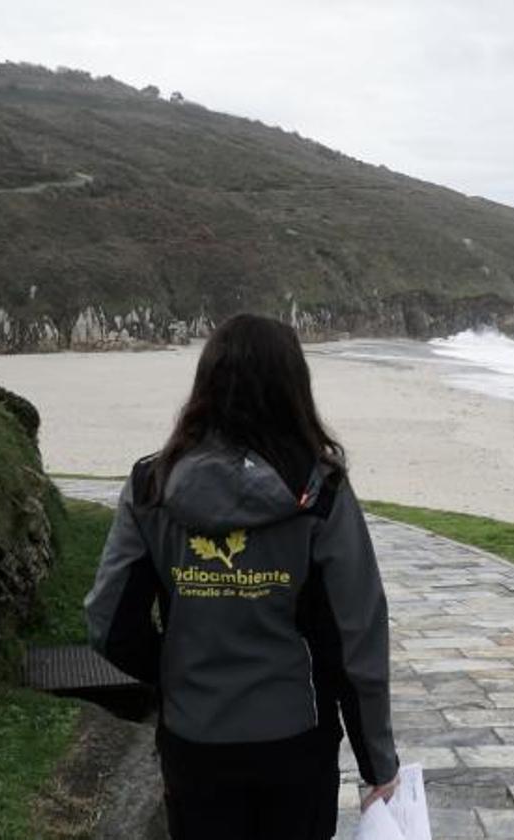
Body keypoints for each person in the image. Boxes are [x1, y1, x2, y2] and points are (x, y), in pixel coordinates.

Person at [84, 313, 399, 839]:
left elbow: (108, 621)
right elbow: (358, 639)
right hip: (297, 739)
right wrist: (378, 763)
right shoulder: (322, 493)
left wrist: (174, 672)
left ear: (205, 385)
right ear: (295, 387)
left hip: (194, 739)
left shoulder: (151, 486)